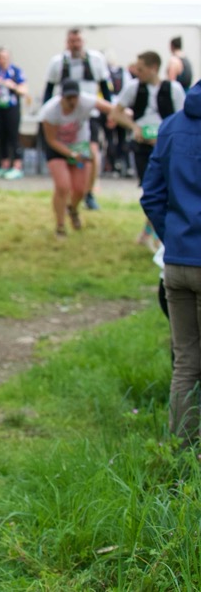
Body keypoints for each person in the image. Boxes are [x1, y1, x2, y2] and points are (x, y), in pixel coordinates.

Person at [140, 78, 201, 448]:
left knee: (186, 363)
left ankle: (183, 453)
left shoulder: (172, 125)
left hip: (176, 265)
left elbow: (151, 195)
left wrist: (173, 239)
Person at [110, 51, 186, 247]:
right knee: (151, 190)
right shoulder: (133, 88)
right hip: (142, 147)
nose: (137, 72)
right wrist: (134, 128)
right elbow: (116, 113)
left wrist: (165, 138)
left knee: (168, 190)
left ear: (154, 68)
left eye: (141, 69)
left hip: (167, 147)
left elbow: (182, 118)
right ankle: (153, 232)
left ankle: (154, 233)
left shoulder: (174, 89)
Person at [43, 28, 112, 210]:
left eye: (78, 41)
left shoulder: (96, 60)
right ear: (67, 42)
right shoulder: (58, 62)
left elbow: (105, 89)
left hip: (90, 114)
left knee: (92, 152)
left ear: (84, 41)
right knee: (65, 151)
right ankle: (66, 189)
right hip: (64, 115)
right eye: (72, 41)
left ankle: (88, 192)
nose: (75, 44)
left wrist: (110, 115)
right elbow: (48, 90)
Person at [38, 79, 114, 238]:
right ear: (62, 97)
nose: (72, 102)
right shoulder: (50, 111)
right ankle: (60, 226)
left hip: (80, 147)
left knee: (80, 189)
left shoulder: (86, 101)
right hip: (58, 148)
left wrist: (121, 115)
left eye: (75, 97)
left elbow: (109, 107)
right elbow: (51, 140)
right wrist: (71, 154)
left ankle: (72, 209)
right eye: (68, 98)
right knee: (62, 186)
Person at [0, 47, 28, 179]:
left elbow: (24, 90)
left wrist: (12, 86)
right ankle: (4, 165)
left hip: (12, 108)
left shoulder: (16, 71)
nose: (2, 60)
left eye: (4, 57)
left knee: (13, 137)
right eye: (0, 57)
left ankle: (17, 166)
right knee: (1, 136)